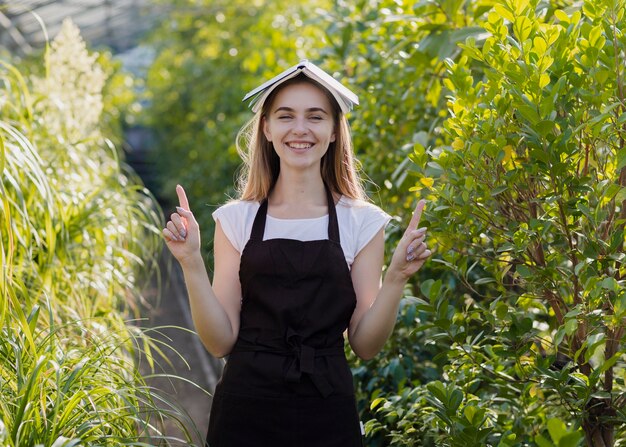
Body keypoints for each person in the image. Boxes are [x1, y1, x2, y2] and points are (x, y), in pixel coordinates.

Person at [162, 60, 431, 447]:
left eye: (316, 117)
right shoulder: (237, 219)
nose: (300, 129)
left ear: (335, 130)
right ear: (267, 128)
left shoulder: (363, 222)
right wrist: (190, 263)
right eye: (286, 116)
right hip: (245, 411)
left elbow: (365, 345)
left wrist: (396, 278)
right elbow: (220, 342)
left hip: (326, 407)